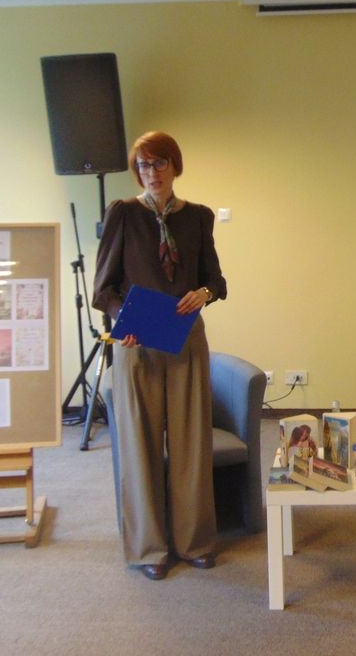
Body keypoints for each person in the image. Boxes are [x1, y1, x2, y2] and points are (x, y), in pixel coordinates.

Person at [92, 131, 227, 581]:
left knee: (191, 443)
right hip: (138, 343)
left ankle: (195, 542)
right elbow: (103, 289)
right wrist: (124, 319)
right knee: (140, 444)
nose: (152, 173)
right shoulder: (123, 214)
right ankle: (149, 547)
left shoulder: (199, 217)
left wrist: (204, 293)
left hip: (186, 339)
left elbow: (216, 280)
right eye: (144, 165)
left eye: (160, 163)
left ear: (175, 166)